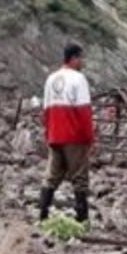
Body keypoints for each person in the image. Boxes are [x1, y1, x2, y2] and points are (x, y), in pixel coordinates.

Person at [39, 44, 95, 223]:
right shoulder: (79, 79)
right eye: (81, 59)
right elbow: (84, 111)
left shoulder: (51, 79)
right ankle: (82, 220)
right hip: (74, 136)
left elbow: (46, 111)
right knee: (79, 178)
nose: (83, 63)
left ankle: (42, 216)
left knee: (52, 176)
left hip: (55, 134)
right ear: (74, 58)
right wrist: (89, 138)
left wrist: (48, 134)